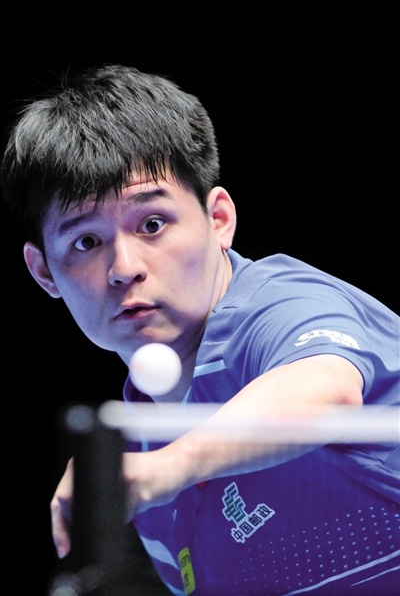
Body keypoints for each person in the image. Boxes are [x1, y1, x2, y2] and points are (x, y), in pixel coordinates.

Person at [2, 65, 399, 596]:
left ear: (218, 220)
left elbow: (326, 387)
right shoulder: (138, 449)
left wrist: (166, 468)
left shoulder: (278, 308)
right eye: (86, 242)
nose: (125, 268)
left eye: (152, 224)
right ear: (44, 272)